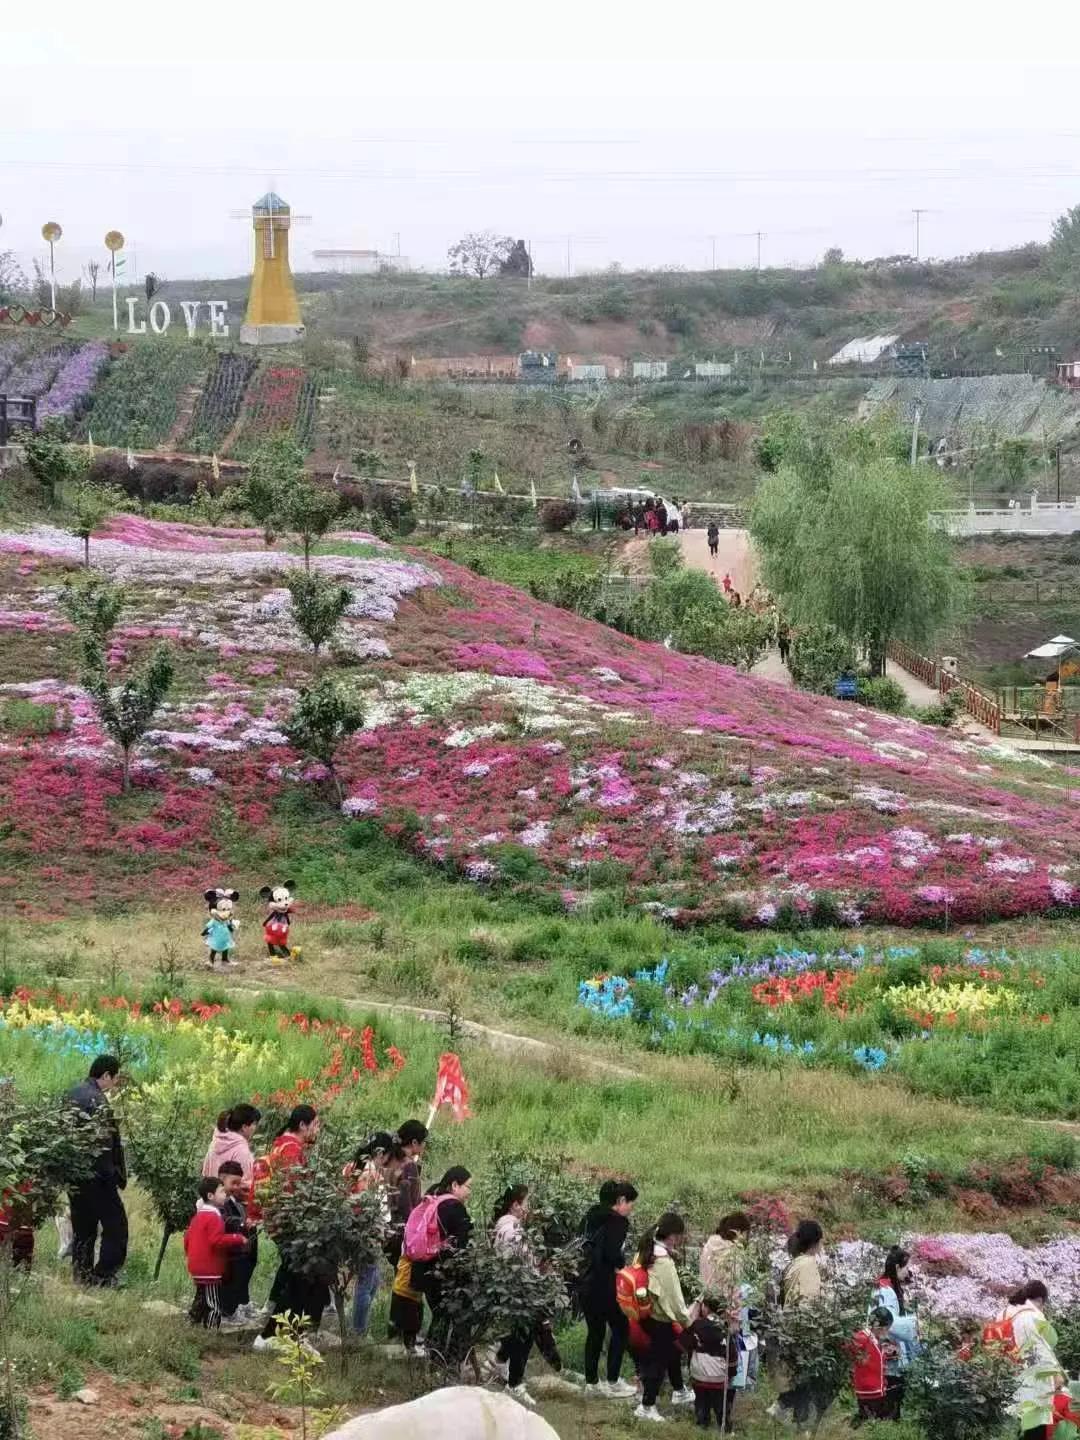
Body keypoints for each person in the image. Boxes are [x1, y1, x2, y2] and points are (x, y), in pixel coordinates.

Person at [253, 1105, 326, 1351]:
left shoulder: (281, 1144)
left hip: (279, 1221)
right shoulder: (292, 1149)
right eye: (315, 1124)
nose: (317, 1129)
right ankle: (273, 1335)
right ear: (303, 1125)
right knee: (300, 1280)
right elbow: (294, 1190)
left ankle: (286, 1334)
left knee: (294, 1278)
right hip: (291, 1223)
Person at [65, 1055, 128, 1288]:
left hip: (75, 1175)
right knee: (116, 1226)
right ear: (106, 1075)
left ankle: (82, 1275)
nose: (115, 1083)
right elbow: (103, 1145)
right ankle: (104, 1275)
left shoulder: (72, 1094)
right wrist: (112, 1175)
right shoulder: (98, 1101)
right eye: (115, 1078)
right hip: (98, 1177)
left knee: (83, 1226)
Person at [579, 1180, 639, 1400]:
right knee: (621, 1328)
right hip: (605, 1285)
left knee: (595, 1332)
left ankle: (591, 1383)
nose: (630, 1209)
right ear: (620, 1200)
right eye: (630, 1203)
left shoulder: (590, 1216)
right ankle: (613, 1381)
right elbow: (612, 1253)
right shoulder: (618, 1222)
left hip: (585, 1283)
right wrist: (624, 1266)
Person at [767, 1220, 827, 1431]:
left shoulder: (795, 1263)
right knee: (806, 1377)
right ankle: (786, 1410)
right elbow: (809, 1301)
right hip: (804, 1329)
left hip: (790, 1326)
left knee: (801, 1377)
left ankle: (794, 1418)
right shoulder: (809, 1265)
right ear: (816, 1243)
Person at [410, 1167, 473, 1366]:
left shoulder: (433, 1197)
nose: (469, 1192)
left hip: (422, 1268)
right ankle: (447, 1364)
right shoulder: (455, 1207)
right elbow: (462, 1245)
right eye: (468, 1187)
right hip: (441, 1273)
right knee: (455, 1315)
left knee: (440, 1314)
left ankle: (434, 1360)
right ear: (455, 1185)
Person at [634, 1212, 694, 1422]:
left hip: (646, 1314)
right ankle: (646, 1407)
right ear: (672, 1236)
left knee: (670, 1354)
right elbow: (675, 1299)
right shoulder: (664, 1262)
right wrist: (688, 1322)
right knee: (657, 1364)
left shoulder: (645, 1251)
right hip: (660, 1318)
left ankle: (678, 1391)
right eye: (679, 1236)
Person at [346, 1131, 406, 1339]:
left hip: (352, 1230)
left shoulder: (351, 1167)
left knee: (372, 1281)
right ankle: (359, 1331)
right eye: (387, 1156)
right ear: (381, 1154)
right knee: (367, 1284)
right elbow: (378, 1211)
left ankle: (358, 1328)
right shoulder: (373, 1175)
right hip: (368, 1234)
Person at [995, 1281, 1064, 1438]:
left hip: (1008, 1374)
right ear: (1040, 1300)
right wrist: (1056, 1374)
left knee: (1016, 1424)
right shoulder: (1032, 1315)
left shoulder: (1004, 1314)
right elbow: (1040, 1348)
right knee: (1035, 1425)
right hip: (1033, 1379)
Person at [184, 1177, 248, 1330]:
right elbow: (216, 1240)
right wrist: (237, 1238)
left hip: (197, 1266)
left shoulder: (198, 1216)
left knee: (202, 1297)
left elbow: (187, 1238)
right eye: (221, 1192)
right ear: (210, 1196)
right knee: (213, 1303)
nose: (225, 1195)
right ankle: (211, 1330)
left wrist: (190, 1256)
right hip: (209, 1269)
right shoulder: (214, 1216)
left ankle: (193, 1323)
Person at [870, 1246, 920, 1413]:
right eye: (906, 1268)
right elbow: (888, 1322)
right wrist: (913, 1324)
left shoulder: (883, 1286)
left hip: (883, 1348)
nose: (907, 1273)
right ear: (898, 1267)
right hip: (889, 1351)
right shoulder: (886, 1291)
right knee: (891, 1395)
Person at [683, 1292, 739, 1431]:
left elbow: (684, 1343)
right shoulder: (725, 1329)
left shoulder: (697, 1325)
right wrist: (730, 1374)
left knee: (701, 1402)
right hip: (719, 1377)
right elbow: (732, 1356)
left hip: (699, 1375)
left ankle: (702, 1424)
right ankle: (725, 1428)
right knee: (721, 1407)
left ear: (705, 1307)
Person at [217, 1160, 259, 1326]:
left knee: (240, 1277)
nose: (236, 1187)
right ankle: (227, 1312)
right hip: (229, 1250)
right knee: (230, 1281)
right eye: (233, 1183)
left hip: (240, 1249)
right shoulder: (219, 1201)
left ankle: (236, 1307)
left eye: (238, 1183)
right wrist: (242, 1223)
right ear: (222, 1179)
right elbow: (225, 1219)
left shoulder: (235, 1200)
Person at [851, 1307, 898, 1424]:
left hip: (875, 1388)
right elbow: (852, 1349)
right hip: (869, 1390)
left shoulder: (874, 1338)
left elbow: (876, 1356)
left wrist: (888, 1353)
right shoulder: (862, 1338)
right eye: (887, 1329)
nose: (887, 1332)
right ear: (879, 1326)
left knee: (875, 1418)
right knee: (875, 1419)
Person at [203, 1103, 261, 1191]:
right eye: (254, 1124)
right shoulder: (241, 1150)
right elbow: (245, 1186)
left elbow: (205, 1175)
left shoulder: (215, 1142)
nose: (255, 1128)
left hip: (211, 1196)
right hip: (229, 1198)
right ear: (244, 1127)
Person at [700, 1213, 750, 1297]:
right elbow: (733, 1283)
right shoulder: (732, 1251)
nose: (746, 1237)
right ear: (739, 1232)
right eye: (746, 1233)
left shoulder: (709, 1244)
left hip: (707, 1296)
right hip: (725, 1301)